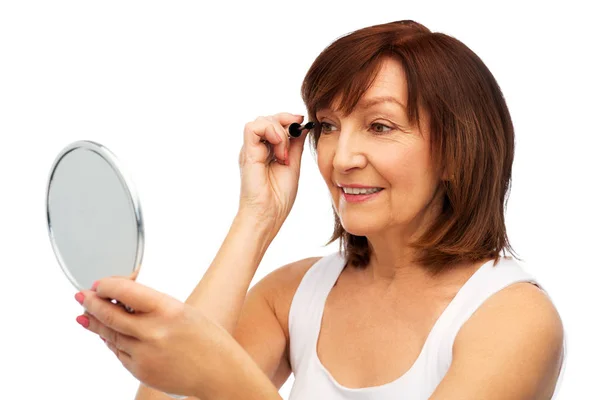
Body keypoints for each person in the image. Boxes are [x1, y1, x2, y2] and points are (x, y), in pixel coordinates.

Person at [73, 20, 566, 399]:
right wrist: (256, 218)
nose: (342, 158)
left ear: (458, 152)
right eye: (327, 125)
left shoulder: (514, 318)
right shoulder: (294, 295)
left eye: (380, 126)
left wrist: (226, 378)